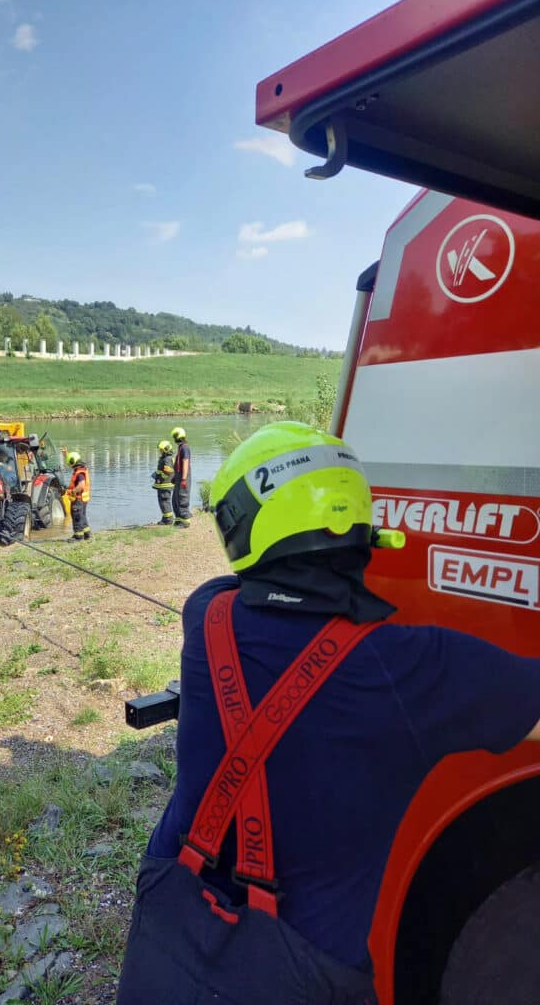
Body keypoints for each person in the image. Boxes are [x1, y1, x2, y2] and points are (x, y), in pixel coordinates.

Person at [117, 421, 540, 1005]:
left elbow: (244, 591)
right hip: (301, 978)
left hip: (171, 942)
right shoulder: (416, 668)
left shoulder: (206, 616)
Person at [65, 450, 91, 541]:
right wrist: (65, 454)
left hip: (78, 499)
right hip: (83, 499)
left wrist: (72, 491)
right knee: (82, 516)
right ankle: (87, 533)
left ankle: (78, 536)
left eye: (70, 464)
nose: (70, 466)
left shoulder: (79, 473)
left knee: (77, 517)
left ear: (73, 462)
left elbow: (81, 485)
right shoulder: (82, 469)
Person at [170, 426, 191, 527]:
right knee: (175, 499)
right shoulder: (181, 447)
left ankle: (185, 521)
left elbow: (185, 463)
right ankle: (178, 520)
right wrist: (175, 477)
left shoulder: (185, 448)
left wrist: (183, 479)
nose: (173, 439)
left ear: (178, 436)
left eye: (174, 436)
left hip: (184, 477)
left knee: (183, 497)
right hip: (179, 476)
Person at [152, 439, 175, 525]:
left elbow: (168, 472)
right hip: (165, 484)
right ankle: (166, 517)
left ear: (165, 450)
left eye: (161, 450)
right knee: (164, 502)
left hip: (165, 485)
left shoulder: (167, 460)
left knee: (164, 502)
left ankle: (168, 520)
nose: (160, 451)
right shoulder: (168, 458)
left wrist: (160, 479)